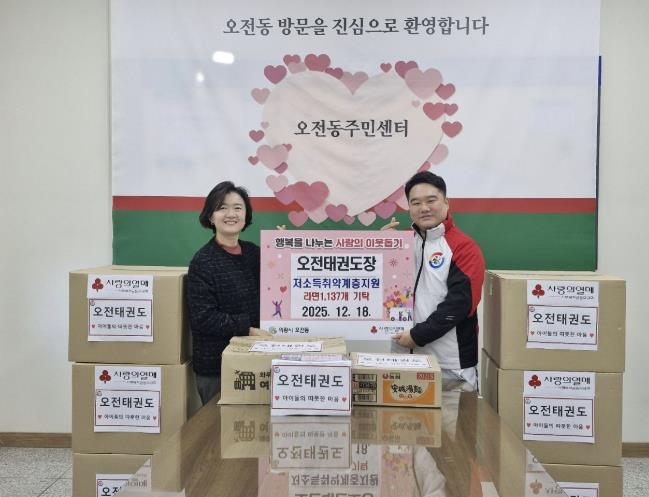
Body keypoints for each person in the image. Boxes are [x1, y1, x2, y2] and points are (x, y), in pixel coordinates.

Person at [388, 171, 485, 390]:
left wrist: (417, 336)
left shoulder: (464, 247)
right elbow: (381, 291)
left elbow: (460, 304)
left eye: (431, 200)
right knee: (400, 414)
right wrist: (382, 250)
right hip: (402, 360)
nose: (424, 208)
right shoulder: (401, 243)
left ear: (446, 202)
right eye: (416, 203)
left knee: (454, 415)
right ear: (409, 207)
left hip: (449, 365)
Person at [186, 181, 269, 405]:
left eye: (237, 208)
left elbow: (282, 283)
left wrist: (283, 248)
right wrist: (247, 330)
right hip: (219, 368)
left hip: (259, 360)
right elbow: (204, 317)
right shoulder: (203, 261)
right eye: (222, 208)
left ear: (246, 215)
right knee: (218, 427)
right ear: (211, 217)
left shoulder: (254, 253)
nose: (231, 214)